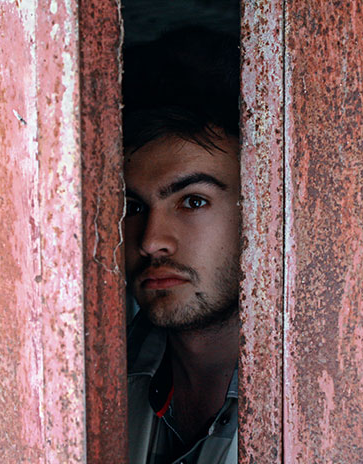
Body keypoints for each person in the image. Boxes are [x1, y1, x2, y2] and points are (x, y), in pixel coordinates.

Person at [123, 28, 240, 464]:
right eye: (132, 206)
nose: (152, 241)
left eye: (192, 201)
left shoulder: (333, 399)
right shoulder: (90, 380)